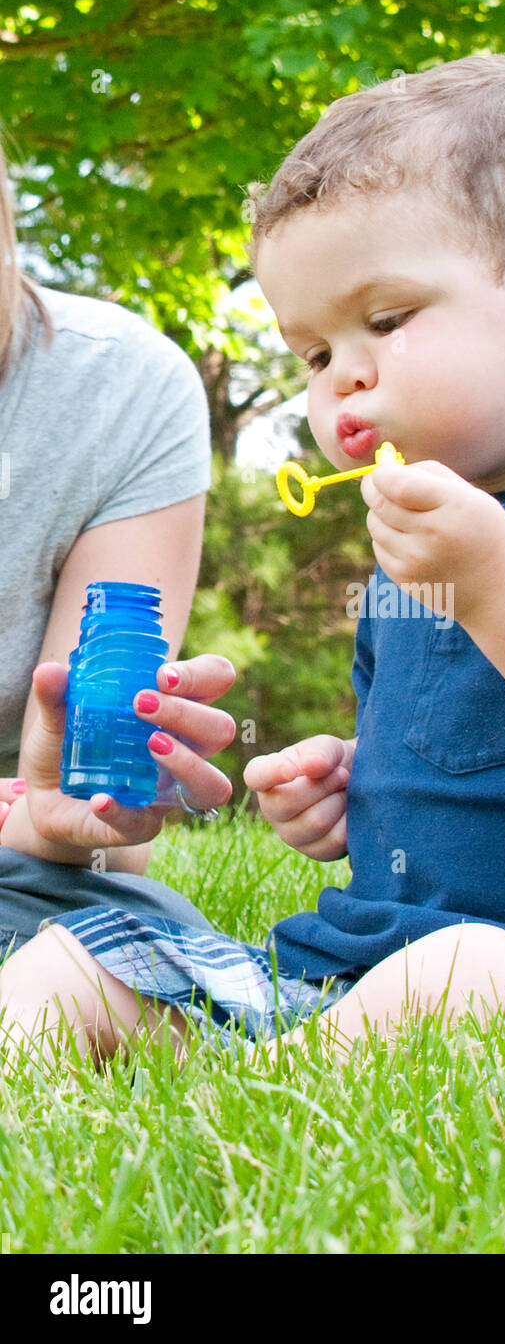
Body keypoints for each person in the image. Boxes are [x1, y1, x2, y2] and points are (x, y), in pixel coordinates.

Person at [2, 54, 505, 1066]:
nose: (344, 381)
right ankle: (224, 1071)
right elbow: (466, 758)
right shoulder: (423, 542)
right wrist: (350, 785)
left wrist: (497, 587)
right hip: (351, 971)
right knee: (75, 959)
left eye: (384, 320)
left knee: (467, 974)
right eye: (316, 353)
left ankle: (261, 1103)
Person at [0, 134, 235, 956]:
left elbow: (101, 825)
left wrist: (60, 817)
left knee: (129, 937)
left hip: (14, 867)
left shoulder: (120, 391)